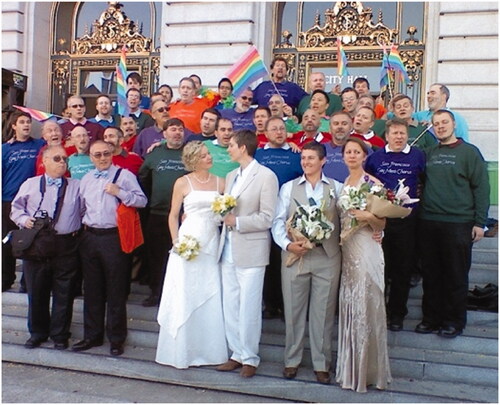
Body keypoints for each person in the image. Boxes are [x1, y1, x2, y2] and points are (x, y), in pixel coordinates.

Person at [272, 141, 342, 385]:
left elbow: (348, 221)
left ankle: (321, 363)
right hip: (295, 256)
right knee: (293, 310)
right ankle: (291, 360)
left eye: (311, 158)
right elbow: (278, 220)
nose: (306, 162)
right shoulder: (288, 188)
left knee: (323, 313)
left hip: (327, 257)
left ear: (323, 161)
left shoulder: (337, 188)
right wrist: (287, 244)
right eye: (303, 158)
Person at [416, 110, 489, 338]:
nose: (440, 127)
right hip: (429, 222)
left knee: (455, 275)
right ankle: (431, 318)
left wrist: (480, 222)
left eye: (444, 122)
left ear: (454, 124)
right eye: (436, 124)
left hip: (459, 223)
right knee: (431, 274)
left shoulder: (470, 153)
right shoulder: (428, 154)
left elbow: (482, 188)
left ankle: (453, 321)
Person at [156, 141, 228, 368]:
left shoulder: (220, 182)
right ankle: (181, 351)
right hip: (188, 241)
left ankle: (210, 351)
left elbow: (229, 209)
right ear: (194, 159)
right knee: (186, 292)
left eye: (209, 154)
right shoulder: (182, 182)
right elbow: (173, 215)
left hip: (210, 242)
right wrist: (177, 242)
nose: (209, 157)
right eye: (205, 155)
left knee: (209, 290)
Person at [73, 140, 147, 356]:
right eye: (97, 155)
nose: (102, 158)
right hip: (90, 237)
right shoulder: (86, 179)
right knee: (92, 289)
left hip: (114, 238)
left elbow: (142, 200)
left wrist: (120, 192)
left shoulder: (124, 176)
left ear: (113, 153)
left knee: (116, 289)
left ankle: (116, 338)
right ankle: (92, 336)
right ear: (91, 157)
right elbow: (80, 207)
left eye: (106, 153)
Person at [215, 130, 279, 378]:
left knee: (249, 307)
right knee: (230, 305)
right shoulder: (231, 175)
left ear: (243, 148)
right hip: (228, 247)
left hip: (251, 249)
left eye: (231, 145)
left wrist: (237, 221)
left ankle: (250, 357)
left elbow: (267, 217)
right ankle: (236, 353)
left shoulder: (266, 176)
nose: (227, 149)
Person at [10, 145, 81, 350]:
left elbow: (84, 210)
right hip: (37, 244)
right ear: (45, 161)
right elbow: (15, 209)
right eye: (57, 158)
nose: (62, 163)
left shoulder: (76, 185)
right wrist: (25, 220)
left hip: (66, 243)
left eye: (65, 159)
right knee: (37, 291)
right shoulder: (31, 184)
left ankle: (60, 334)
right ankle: (37, 332)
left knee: (64, 292)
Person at [336, 137, 391, 392]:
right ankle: (350, 368)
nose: (352, 156)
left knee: (366, 304)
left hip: (367, 248)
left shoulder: (373, 184)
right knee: (351, 303)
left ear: (364, 156)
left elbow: (381, 224)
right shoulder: (344, 183)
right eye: (348, 152)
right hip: (347, 252)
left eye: (356, 152)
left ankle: (367, 372)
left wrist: (369, 216)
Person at [365, 118, 425, 331]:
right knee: (381, 267)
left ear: (407, 135)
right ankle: (378, 311)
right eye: (395, 133)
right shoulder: (376, 157)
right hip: (380, 222)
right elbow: (367, 181)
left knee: (402, 269)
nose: (399, 137)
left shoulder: (418, 156)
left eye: (402, 133)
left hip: (407, 222)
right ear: (387, 136)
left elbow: (424, 181)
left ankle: (397, 314)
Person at [255, 117, 303, 319]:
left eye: (282, 129)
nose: (279, 132)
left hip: (289, 218)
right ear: (265, 133)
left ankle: (287, 306)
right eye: (274, 129)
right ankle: (270, 304)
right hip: (262, 218)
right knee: (268, 263)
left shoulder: (295, 154)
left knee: (287, 263)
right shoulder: (257, 155)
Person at [138, 118, 188, 307]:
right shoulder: (155, 154)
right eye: (173, 129)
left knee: (182, 256)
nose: (177, 133)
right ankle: (156, 293)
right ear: (164, 133)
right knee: (156, 257)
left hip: (184, 217)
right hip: (158, 214)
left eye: (180, 129)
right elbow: (143, 178)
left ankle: (179, 295)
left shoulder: (190, 153)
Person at [2, 111, 45, 292]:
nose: (26, 125)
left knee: (30, 242)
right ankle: (5, 278)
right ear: (14, 126)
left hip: (32, 203)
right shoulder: (5, 148)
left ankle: (27, 283)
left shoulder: (39, 145)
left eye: (28, 122)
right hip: (8, 200)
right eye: (22, 122)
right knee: (6, 242)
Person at [323, 111, 355, 182]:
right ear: (329, 129)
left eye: (344, 124)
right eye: (336, 124)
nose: (340, 127)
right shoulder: (320, 149)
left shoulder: (362, 150)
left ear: (351, 127)